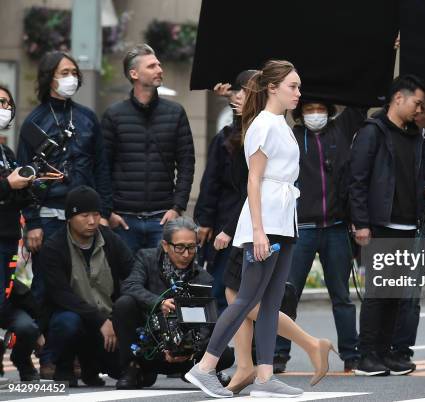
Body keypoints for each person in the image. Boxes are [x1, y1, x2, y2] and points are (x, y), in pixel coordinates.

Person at [185, 60, 304, 398]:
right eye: (292, 86)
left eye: (298, 86)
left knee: (271, 301)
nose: (298, 93)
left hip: (284, 220)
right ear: (273, 88)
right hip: (265, 222)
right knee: (246, 297)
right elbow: (254, 181)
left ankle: (265, 377)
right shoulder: (263, 125)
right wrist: (259, 230)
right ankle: (205, 367)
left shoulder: (281, 124)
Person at [350, 74, 425, 376]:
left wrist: (424, 189)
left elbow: (406, 178)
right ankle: (366, 355)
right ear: (398, 99)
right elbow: (358, 181)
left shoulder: (414, 136)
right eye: (416, 102)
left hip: (409, 225)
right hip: (380, 225)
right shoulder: (373, 132)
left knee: (395, 294)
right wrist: (361, 223)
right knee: (378, 293)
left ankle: (385, 353)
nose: (419, 109)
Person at [273, 100, 365, 373]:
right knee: (287, 295)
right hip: (301, 228)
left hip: (336, 227)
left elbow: (360, 104)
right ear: (301, 112)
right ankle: (278, 354)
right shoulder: (290, 135)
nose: (316, 113)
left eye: (320, 107)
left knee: (342, 296)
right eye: (310, 108)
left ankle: (351, 354)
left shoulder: (342, 130)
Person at [16, 51, 113, 305]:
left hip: (86, 215)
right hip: (48, 217)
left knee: (89, 281)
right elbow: (24, 176)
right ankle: (43, 340)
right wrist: (33, 223)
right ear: (50, 78)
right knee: (45, 285)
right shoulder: (34, 122)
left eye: (74, 73)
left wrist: (103, 211)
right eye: (64, 73)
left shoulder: (88, 118)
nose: (71, 78)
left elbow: (102, 167)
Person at [114, 217, 234, 389]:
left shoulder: (203, 277)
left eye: (191, 247)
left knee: (226, 354)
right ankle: (132, 368)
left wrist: (190, 349)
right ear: (165, 245)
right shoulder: (146, 258)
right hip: (150, 345)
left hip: (186, 351)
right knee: (124, 304)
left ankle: (195, 370)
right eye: (179, 247)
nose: (186, 254)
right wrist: (158, 302)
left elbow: (207, 325)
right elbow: (130, 286)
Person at [101, 44, 195, 255]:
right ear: (134, 74)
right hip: (123, 220)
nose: (159, 69)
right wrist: (108, 212)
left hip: (162, 218)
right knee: (124, 283)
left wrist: (177, 207)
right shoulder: (114, 115)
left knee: (161, 281)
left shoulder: (175, 113)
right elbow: (102, 167)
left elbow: (187, 163)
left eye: (159, 65)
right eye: (152, 66)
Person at [39, 186, 134, 386]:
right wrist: (101, 320)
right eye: (84, 215)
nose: (92, 221)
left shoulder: (110, 239)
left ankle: (91, 367)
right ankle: (63, 366)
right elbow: (61, 295)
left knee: (129, 372)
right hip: (75, 317)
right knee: (68, 322)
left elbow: (133, 274)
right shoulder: (54, 247)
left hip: (107, 321)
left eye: (96, 214)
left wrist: (117, 318)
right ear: (70, 218)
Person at [194, 70, 258, 313]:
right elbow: (211, 183)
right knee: (221, 290)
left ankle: (253, 349)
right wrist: (205, 221)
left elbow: (252, 189)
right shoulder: (226, 138)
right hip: (226, 222)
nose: (239, 96)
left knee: (251, 295)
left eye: (246, 91)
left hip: (254, 226)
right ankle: (221, 350)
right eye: (238, 90)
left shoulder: (265, 134)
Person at [0, 85, 42, 382]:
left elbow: (19, 200)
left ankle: (23, 351)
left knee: (23, 308)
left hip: (8, 240)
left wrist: (32, 184)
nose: (3, 107)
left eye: (6, 102)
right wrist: (7, 186)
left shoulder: (6, 152)